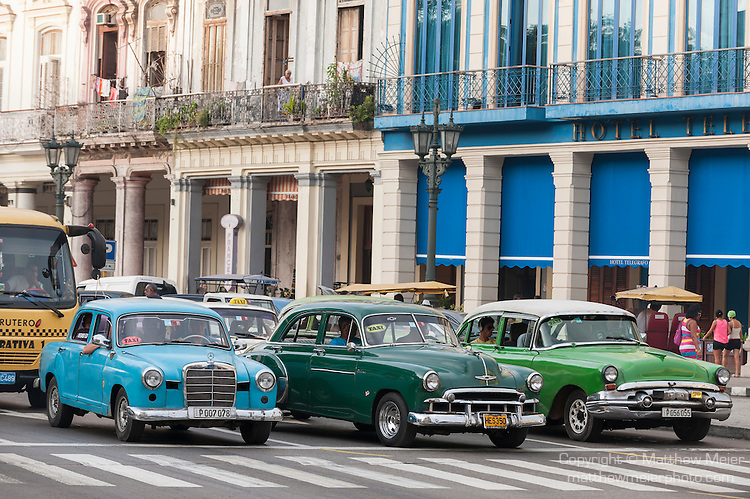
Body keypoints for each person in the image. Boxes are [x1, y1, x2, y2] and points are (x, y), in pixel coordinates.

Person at [726, 310, 743, 376]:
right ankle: (736, 373)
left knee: (725, 356)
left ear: (729, 317)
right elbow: (740, 333)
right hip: (737, 340)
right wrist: (740, 340)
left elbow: (727, 332)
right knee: (736, 357)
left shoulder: (729, 323)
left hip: (730, 340)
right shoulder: (739, 323)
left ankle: (724, 370)